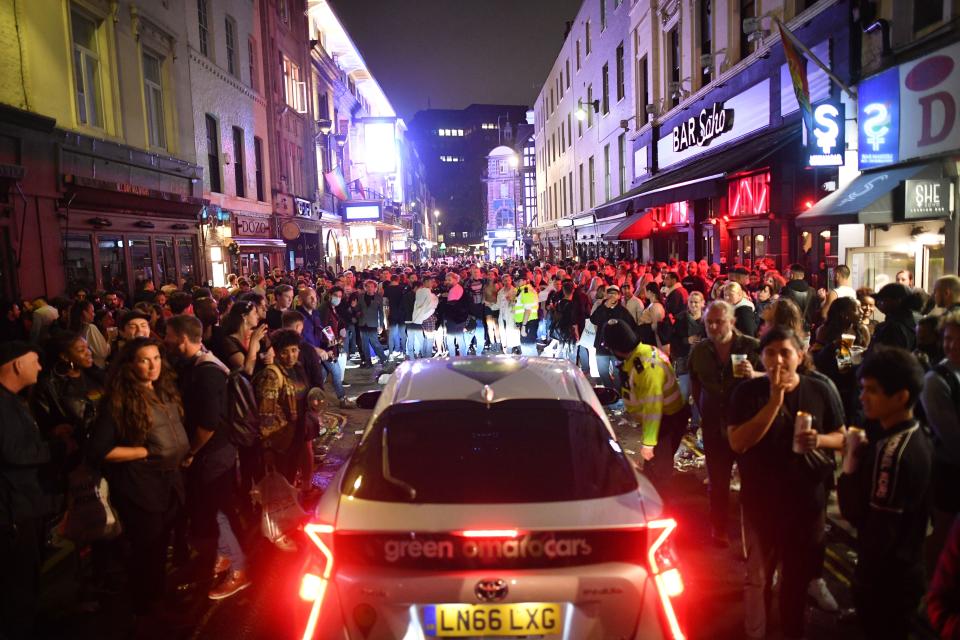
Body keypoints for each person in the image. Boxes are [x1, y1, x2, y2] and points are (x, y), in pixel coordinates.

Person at [728, 326, 844, 640]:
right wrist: (774, 401)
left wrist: (818, 439)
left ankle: (793, 630)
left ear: (800, 355)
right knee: (759, 578)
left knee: (796, 579)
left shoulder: (820, 389)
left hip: (806, 504)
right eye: (770, 352)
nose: (777, 359)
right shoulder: (747, 393)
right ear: (760, 356)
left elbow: (842, 437)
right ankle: (758, 632)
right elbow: (738, 442)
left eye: (785, 352)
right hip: (760, 504)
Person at [88, 338, 189, 616]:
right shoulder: (118, 401)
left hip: (169, 482)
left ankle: (157, 595)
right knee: (147, 550)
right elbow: (99, 450)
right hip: (140, 487)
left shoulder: (164, 391)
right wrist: (144, 451)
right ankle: (146, 607)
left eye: (156, 358)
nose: (152, 365)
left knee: (160, 547)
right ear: (130, 365)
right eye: (144, 360)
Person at [839, 346, 932, 639]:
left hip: (886, 580)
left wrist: (850, 462)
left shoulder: (893, 452)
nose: (862, 397)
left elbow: (863, 519)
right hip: (908, 569)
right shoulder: (918, 434)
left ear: (901, 396)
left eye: (872, 390)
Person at [163, 316, 250, 600]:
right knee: (216, 508)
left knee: (219, 509)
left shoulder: (207, 372)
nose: (166, 340)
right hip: (213, 452)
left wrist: (191, 452)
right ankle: (225, 557)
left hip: (216, 452)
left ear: (183, 339)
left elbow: (209, 424)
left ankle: (239, 570)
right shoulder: (196, 365)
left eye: (169, 335)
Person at [0, 342, 72, 640]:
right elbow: (13, 452)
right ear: (17, 364)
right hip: (14, 510)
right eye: (35, 361)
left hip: (23, 505)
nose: (40, 367)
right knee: (18, 583)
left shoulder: (11, 399)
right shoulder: (2, 404)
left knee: (27, 578)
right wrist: (56, 447)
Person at [688, 300, 761, 546]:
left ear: (732, 322)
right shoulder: (699, 351)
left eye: (718, 321)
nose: (713, 326)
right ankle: (718, 528)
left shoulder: (751, 347)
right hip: (714, 427)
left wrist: (755, 374)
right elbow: (696, 382)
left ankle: (752, 532)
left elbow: (771, 380)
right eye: (709, 322)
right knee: (717, 482)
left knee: (752, 484)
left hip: (745, 426)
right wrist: (702, 409)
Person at [603, 319, 687, 483]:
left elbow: (653, 408)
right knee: (654, 469)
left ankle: (661, 503)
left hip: (666, 422)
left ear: (617, 348)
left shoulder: (646, 368)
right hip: (663, 421)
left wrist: (648, 444)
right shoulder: (642, 353)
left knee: (657, 472)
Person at [253, 329, 307, 490]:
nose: (290, 356)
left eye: (294, 350)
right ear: (276, 353)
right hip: (279, 441)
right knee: (280, 486)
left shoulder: (297, 368)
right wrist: (268, 448)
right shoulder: (272, 375)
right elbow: (265, 414)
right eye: (284, 352)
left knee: (290, 481)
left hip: (294, 435)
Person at [589, 286, 638, 389]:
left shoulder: (622, 311)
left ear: (619, 296)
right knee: (602, 370)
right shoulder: (601, 307)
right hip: (602, 346)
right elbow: (593, 319)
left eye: (614, 294)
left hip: (617, 348)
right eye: (609, 294)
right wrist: (604, 307)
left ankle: (617, 393)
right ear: (606, 295)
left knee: (617, 372)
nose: (611, 296)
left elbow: (632, 326)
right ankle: (609, 390)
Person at [69, 299, 111, 369]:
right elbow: (103, 352)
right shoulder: (90, 328)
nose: (94, 314)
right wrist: (110, 340)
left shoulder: (73, 328)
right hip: (96, 368)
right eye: (92, 311)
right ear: (84, 313)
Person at [356, 279, 387, 368]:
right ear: (365, 288)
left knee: (375, 343)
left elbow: (381, 312)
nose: (369, 288)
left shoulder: (378, 297)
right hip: (362, 323)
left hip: (373, 323)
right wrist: (356, 310)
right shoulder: (361, 297)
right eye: (367, 286)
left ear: (375, 288)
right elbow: (357, 309)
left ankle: (383, 359)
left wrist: (381, 325)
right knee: (364, 345)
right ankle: (368, 362)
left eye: (371, 287)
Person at [514, 273, 540, 357]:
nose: (516, 283)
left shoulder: (526, 291)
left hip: (528, 322)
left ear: (524, 281)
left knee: (528, 348)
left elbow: (528, 309)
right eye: (516, 281)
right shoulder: (524, 290)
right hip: (528, 322)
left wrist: (524, 326)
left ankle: (532, 368)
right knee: (528, 348)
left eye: (518, 280)